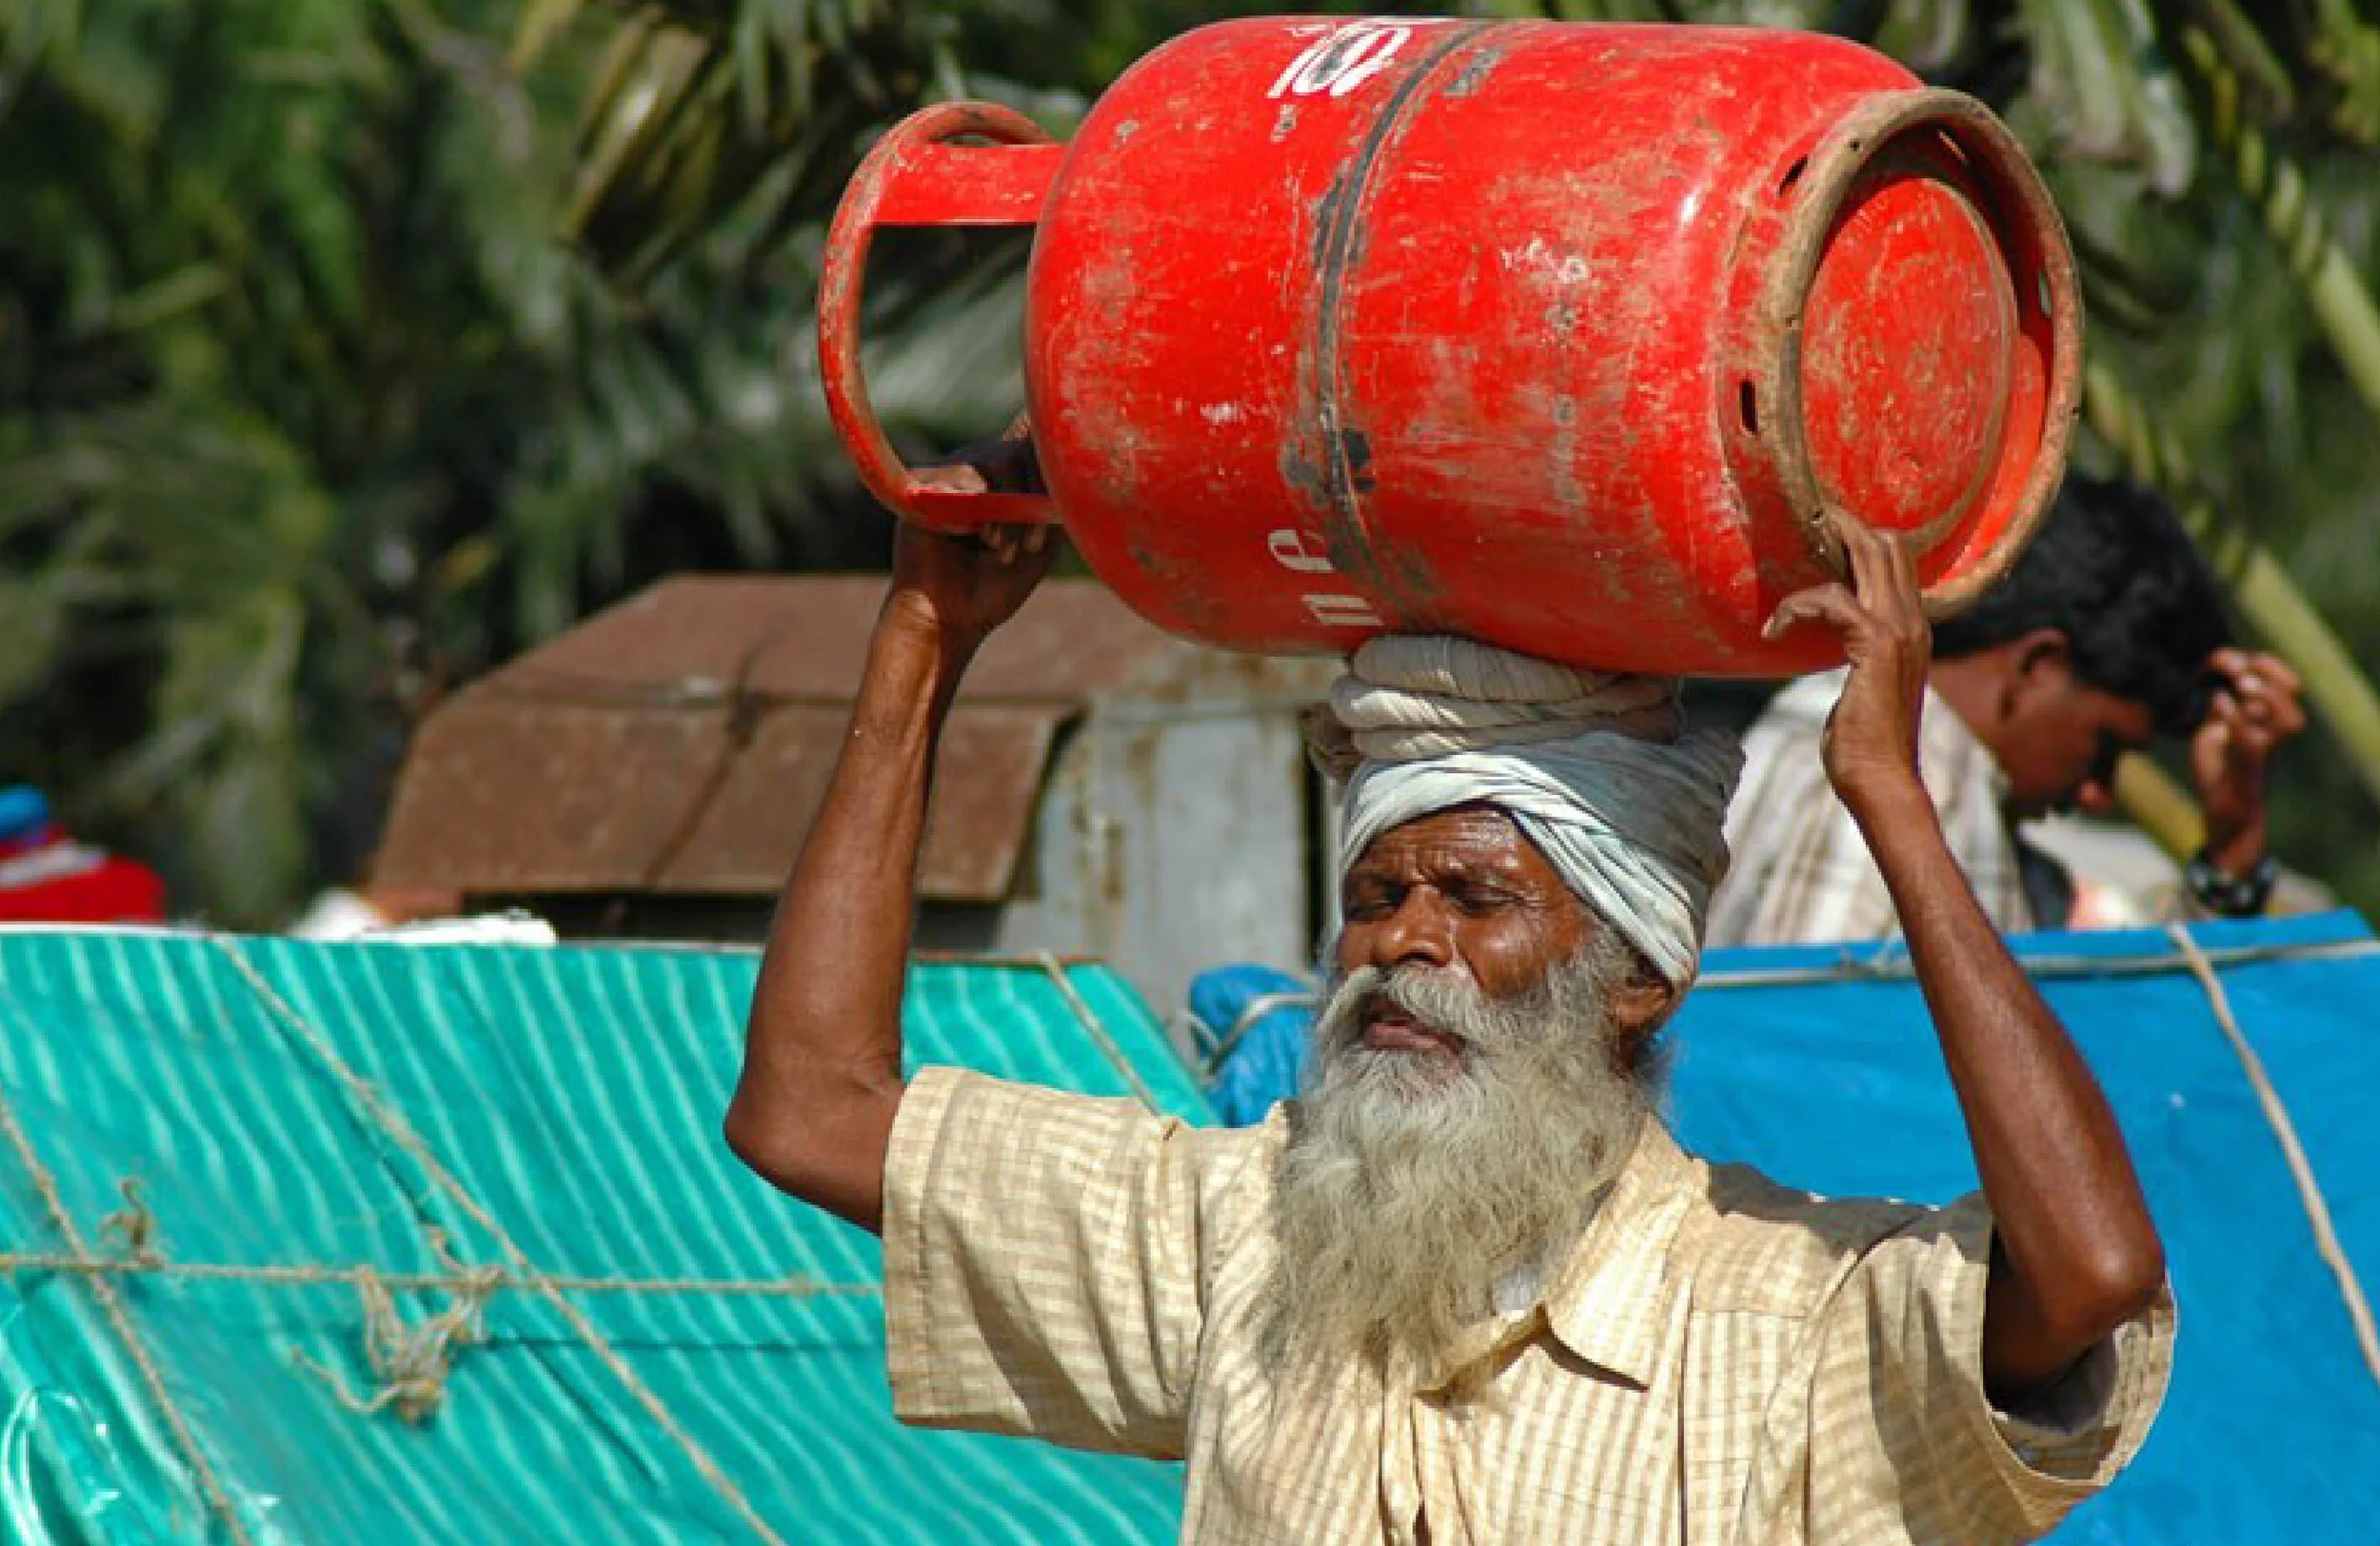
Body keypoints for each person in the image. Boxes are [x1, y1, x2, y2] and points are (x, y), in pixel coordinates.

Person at [725, 446, 2172, 1545]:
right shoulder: (1252, 1241)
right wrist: (924, 639)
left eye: (1477, 901)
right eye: (1374, 897)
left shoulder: (1777, 1315)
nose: (1402, 945)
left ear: (1642, 981)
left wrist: (1888, 799)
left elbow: (2093, 1276)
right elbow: (812, 1111)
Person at [1706, 470, 2307, 946]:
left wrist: (2232, 846)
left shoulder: (1941, 794)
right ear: (2036, 666)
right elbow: (1820, 1069)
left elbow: (2109, 1053)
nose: (2099, 793)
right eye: (2106, 749)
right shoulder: (1887, 793)